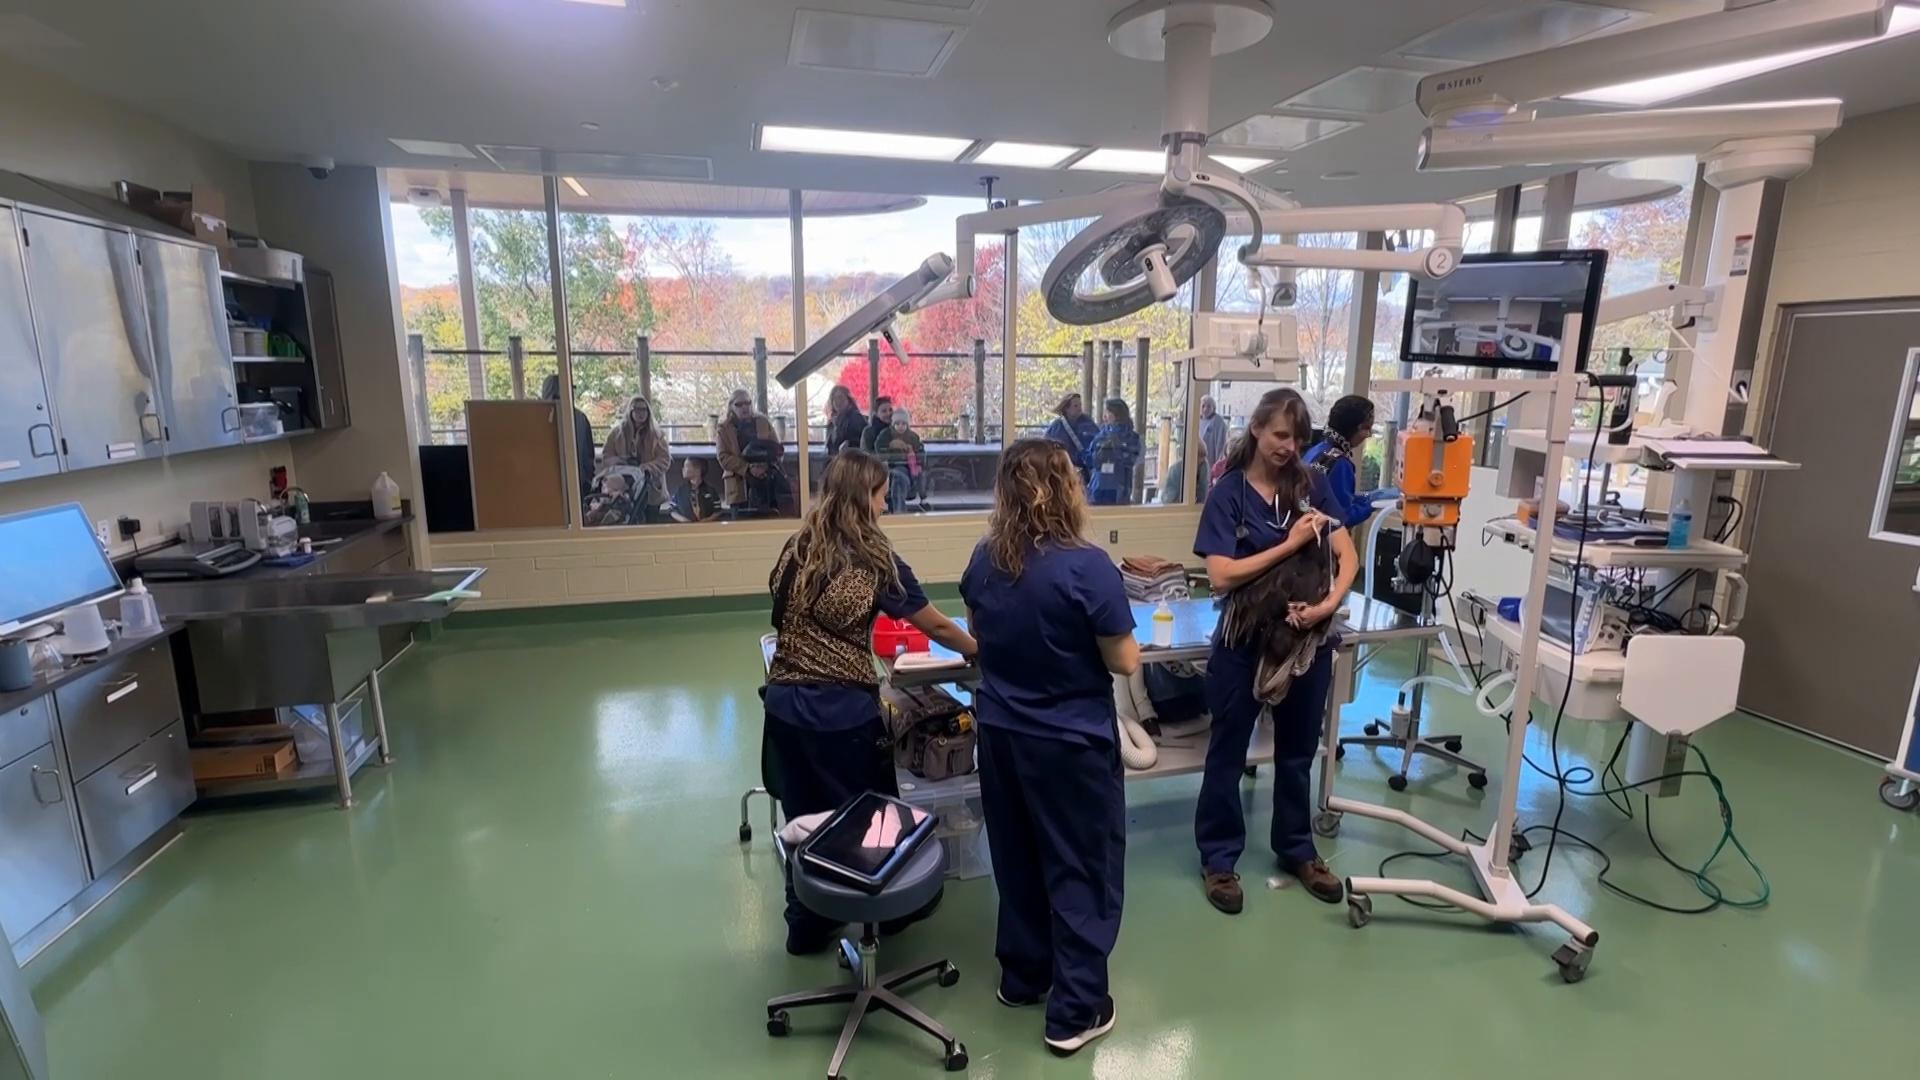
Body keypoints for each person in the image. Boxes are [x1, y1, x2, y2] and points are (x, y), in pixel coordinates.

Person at [960, 439, 1138, 1056]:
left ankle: (1024, 975)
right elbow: (1124, 660)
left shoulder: (985, 561)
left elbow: (982, 637)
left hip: (1003, 737)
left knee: (1018, 857)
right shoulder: (1087, 567)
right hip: (1069, 744)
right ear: (1067, 489)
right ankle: (1076, 1010)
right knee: (1080, 867)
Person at [763, 451, 977, 954]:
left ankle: (807, 924)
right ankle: (883, 914)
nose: (886, 504)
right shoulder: (873, 559)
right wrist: (977, 650)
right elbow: (935, 625)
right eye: (881, 494)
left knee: (805, 818)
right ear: (865, 497)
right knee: (869, 819)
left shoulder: (799, 547)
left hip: (784, 709)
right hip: (841, 714)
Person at [1191, 387, 1360, 915]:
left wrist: (1326, 605)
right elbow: (1220, 576)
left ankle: (1297, 849)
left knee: (1296, 752)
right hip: (1244, 642)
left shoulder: (1312, 486)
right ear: (1258, 429)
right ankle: (1219, 859)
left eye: (1298, 437)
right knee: (1227, 752)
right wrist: (1287, 546)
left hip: (1306, 642)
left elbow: (1346, 554)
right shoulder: (1229, 494)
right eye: (1281, 434)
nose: (1289, 446)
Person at [1305, 395, 1385, 529]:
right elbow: (1342, 516)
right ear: (1352, 428)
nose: (1369, 434)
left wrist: (1365, 498)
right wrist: (1371, 504)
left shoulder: (1318, 450)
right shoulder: (1339, 464)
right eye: (1365, 428)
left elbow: (1330, 498)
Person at [598, 396, 672, 520]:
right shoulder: (616, 434)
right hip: (624, 487)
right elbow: (606, 457)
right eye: (637, 409)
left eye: (644, 410)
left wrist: (646, 467)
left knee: (652, 521)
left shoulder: (657, 435)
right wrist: (621, 462)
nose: (641, 413)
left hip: (651, 489)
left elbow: (664, 460)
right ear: (630, 411)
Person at [716, 388, 786, 511]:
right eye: (739, 404)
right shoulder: (724, 428)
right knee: (739, 525)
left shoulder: (763, 422)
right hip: (738, 485)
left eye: (748, 403)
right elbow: (723, 457)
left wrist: (764, 467)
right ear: (731, 406)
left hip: (766, 482)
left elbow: (777, 450)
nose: (745, 407)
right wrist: (747, 468)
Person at [541, 373, 595, 501]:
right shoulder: (579, 418)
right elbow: (588, 457)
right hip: (572, 484)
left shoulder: (580, 419)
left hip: (551, 486)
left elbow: (587, 456)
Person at [1084, 399, 1142, 506]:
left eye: (1107, 412)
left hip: (1119, 490)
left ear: (1116, 414)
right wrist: (1098, 455)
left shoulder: (1131, 437)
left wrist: (1116, 450)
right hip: (1097, 487)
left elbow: (1132, 460)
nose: (1104, 416)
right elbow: (1089, 459)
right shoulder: (1100, 435)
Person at [872, 406, 930, 513]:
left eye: (903, 424)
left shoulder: (913, 437)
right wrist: (890, 448)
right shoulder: (886, 435)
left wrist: (912, 452)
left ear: (907, 425)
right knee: (896, 479)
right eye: (897, 424)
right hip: (888, 467)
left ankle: (900, 512)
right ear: (893, 424)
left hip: (907, 469)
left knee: (899, 480)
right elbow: (878, 449)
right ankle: (897, 512)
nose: (900, 427)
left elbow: (921, 454)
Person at [1044, 393, 1100, 482]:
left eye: (1080, 405)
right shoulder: (1056, 427)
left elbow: (1098, 442)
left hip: (1085, 471)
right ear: (1066, 408)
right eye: (1075, 406)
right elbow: (1047, 448)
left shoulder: (1089, 423)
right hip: (1064, 470)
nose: (1079, 408)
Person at [668, 458, 722, 523]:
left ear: (697, 470)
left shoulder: (710, 490)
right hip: (685, 528)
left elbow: (718, 511)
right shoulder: (680, 490)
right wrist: (683, 520)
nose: (683, 469)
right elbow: (672, 510)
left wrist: (706, 521)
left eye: (686, 466)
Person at [823, 385, 867, 457]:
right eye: (835, 399)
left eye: (841, 398)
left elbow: (862, 442)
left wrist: (850, 444)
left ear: (848, 400)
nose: (838, 402)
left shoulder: (856, 418)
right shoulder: (832, 422)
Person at [1198, 395, 1228, 470]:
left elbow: (1221, 445)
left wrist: (1218, 464)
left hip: (1211, 459)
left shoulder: (1218, 422)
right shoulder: (1196, 420)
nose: (1205, 409)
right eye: (1203, 406)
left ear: (1214, 408)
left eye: (1208, 406)